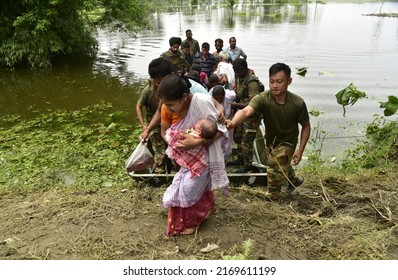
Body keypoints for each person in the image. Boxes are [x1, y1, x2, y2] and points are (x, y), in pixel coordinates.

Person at [158, 74, 229, 236]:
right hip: (190, 158)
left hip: (207, 154)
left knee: (189, 189)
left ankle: (195, 220)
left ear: (184, 97)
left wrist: (197, 142)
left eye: (170, 105)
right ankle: (207, 209)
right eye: (164, 105)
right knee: (191, 186)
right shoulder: (173, 107)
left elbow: (221, 130)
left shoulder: (201, 102)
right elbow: (167, 130)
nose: (167, 109)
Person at [227, 62, 311, 200]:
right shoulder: (263, 98)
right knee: (280, 163)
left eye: (279, 82)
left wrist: (300, 150)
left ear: (289, 81)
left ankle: (273, 196)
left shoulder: (297, 103)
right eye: (272, 81)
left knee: (273, 168)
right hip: (271, 141)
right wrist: (233, 122)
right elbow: (246, 111)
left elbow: (306, 126)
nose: (274, 85)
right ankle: (294, 181)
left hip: (288, 142)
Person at [229, 58, 262, 173]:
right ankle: (240, 158)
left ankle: (247, 164)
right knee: (237, 136)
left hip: (252, 116)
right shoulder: (240, 78)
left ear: (244, 69)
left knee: (246, 141)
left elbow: (254, 104)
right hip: (242, 113)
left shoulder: (252, 82)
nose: (237, 74)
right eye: (235, 72)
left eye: (239, 72)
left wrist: (236, 104)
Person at [135, 78, 168, 173]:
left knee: (170, 147)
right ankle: (160, 171)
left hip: (168, 123)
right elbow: (138, 106)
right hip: (154, 125)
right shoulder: (147, 91)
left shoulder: (168, 89)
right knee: (159, 150)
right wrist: (143, 126)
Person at [212, 85, 236, 161]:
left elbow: (232, 109)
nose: (219, 100)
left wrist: (232, 120)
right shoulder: (210, 99)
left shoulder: (229, 98)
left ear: (224, 96)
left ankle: (225, 160)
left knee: (228, 144)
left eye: (221, 98)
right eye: (217, 98)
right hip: (216, 123)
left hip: (227, 122)